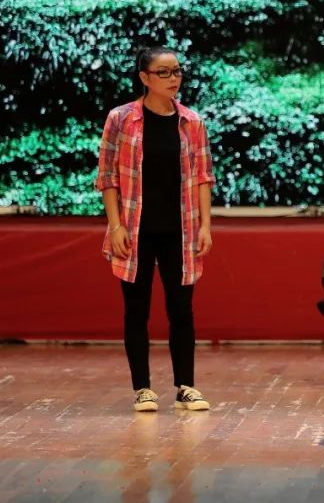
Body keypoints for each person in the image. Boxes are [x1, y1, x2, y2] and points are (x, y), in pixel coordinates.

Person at [96, 46, 216, 412]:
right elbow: (108, 177)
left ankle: (186, 386)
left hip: (180, 229)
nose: (173, 78)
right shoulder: (121, 119)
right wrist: (115, 225)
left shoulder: (192, 122)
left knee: (182, 309)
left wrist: (205, 225)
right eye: (163, 72)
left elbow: (203, 176)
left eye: (176, 71)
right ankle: (143, 389)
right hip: (135, 229)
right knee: (137, 310)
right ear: (144, 78)